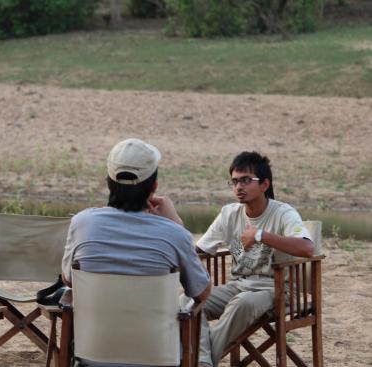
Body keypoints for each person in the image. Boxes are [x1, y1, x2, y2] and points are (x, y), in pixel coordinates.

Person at [62, 138, 211, 366]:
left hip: (93, 355)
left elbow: (69, 279)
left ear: (108, 182)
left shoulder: (82, 224)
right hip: (157, 357)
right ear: (154, 187)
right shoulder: (174, 234)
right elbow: (201, 293)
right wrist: (178, 225)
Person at [197, 151, 314, 367]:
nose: (238, 187)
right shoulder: (229, 214)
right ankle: (202, 359)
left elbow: (307, 248)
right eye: (234, 181)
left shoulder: (283, 213)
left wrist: (261, 236)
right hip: (239, 285)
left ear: (264, 184)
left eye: (245, 180)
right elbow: (201, 249)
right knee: (189, 302)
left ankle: (198, 362)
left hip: (279, 290)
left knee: (242, 303)